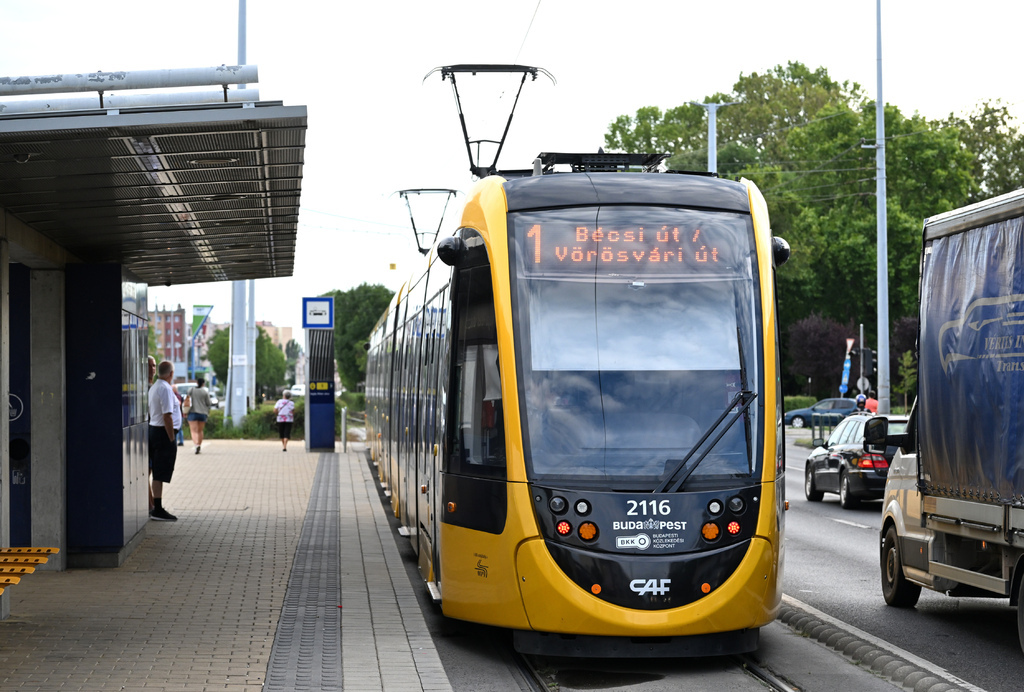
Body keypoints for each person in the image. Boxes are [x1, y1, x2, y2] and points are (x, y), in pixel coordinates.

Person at [148, 360, 181, 521]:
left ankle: (157, 506)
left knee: (157, 472)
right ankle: (158, 509)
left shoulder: (155, 386)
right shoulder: (165, 389)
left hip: (154, 431)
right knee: (160, 472)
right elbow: (167, 415)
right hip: (163, 433)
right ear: (171, 374)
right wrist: (171, 438)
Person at [185, 377, 213, 454]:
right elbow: (209, 403)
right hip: (203, 413)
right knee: (200, 430)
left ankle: (196, 445)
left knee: (193, 431)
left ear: (197, 383)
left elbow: (187, 399)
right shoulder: (205, 392)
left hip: (192, 412)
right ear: (203, 384)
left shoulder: (191, 390)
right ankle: (199, 445)